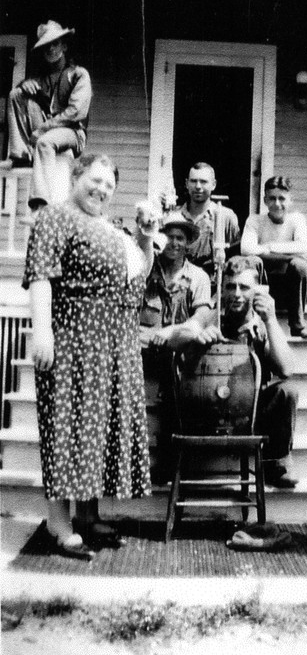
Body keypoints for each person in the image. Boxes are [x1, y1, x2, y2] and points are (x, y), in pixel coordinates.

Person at [23, 153, 157, 559]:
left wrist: (146, 238)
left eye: (110, 186)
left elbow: (140, 274)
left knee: (96, 428)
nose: (102, 190)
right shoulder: (56, 217)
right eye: (95, 180)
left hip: (114, 341)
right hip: (74, 337)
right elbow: (41, 276)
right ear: (76, 176)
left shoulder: (110, 227)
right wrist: (42, 330)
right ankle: (58, 522)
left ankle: (87, 514)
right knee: (68, 424)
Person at [185, 256, 299, 488]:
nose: (236, 293)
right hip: (207, 408)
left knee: (287, 392)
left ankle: (276, 462)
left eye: (244, 287)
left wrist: (271, 320)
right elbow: (179, 336)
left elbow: (287, 369)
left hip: (250, 412)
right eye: (230, 286)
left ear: (256, 291)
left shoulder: (260, 323)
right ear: (222, 289)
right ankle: (170, 457)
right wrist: (196, 338)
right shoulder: (211, 316)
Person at [140, 211, 212, 481]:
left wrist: (169, 332)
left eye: (180, 237)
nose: (173, 242)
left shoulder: (198, 277)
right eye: (168, 236)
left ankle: (169, 460)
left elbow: (201, 319)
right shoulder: (146, 269)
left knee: (190, 336)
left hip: (176, 349)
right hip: (143, 344)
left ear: (188, 242)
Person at [7, 20, 92, 210]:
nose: (50, 49)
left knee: (45, 142)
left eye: (55, 43)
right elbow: (24, 99)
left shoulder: (78, 74)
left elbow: (76, 113)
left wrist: (42, 129)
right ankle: (21, 153)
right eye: (46, 46)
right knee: (16, 94)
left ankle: (40, 205)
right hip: (48, 129)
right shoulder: (40, 78)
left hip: (73, 132)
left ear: (64, 45)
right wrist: (23, 85)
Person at [241, 176, 307, 339]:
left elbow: (304, 247)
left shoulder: (297, 219)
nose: (277, 203)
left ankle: (297, 325)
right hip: (263, 285)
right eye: (272, 198)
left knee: (301, 266)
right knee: (253, 261)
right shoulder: (255, 220)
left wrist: (269, 247)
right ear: (265, 200)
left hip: (290, 288)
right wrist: (287, 255)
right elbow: (246, 249)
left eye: (282, 198)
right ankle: (253, 320)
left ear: (290, 200)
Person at [179, 162, 240, 285]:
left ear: (213, 184)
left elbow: (235, 258)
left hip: (213, 285)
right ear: (186, 184)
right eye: (193, 181)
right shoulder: (176, 216)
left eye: (203, 182)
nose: (198, 186)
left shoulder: (225, 216)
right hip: (180, 283)